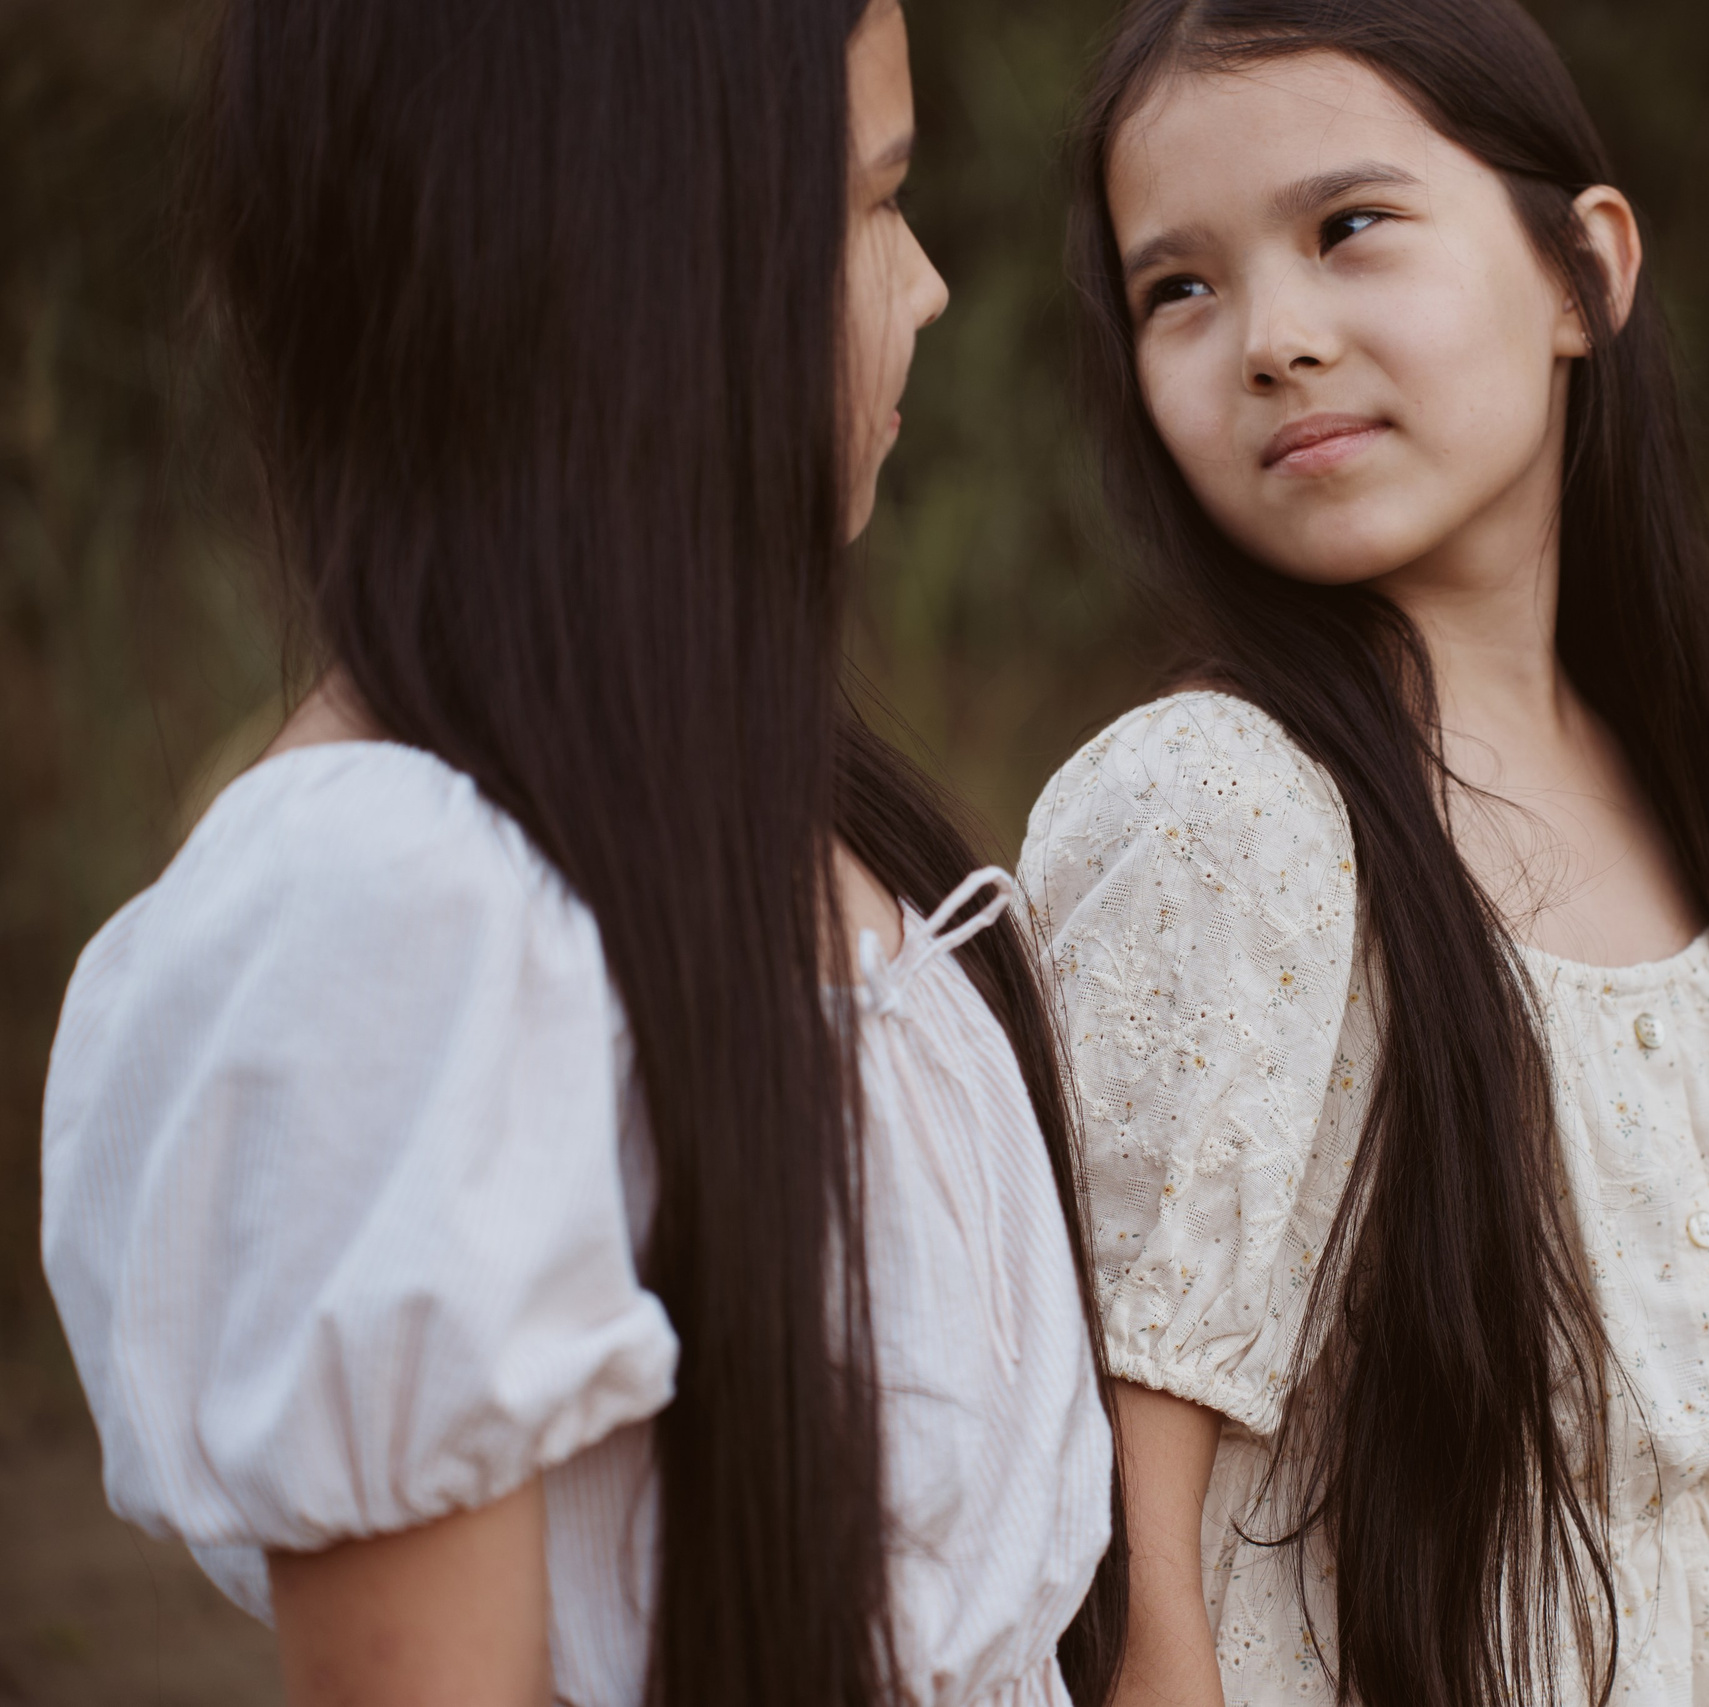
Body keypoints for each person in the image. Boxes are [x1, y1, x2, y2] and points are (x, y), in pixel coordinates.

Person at [40, 1, 1122, 1702]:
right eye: (871, 201)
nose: (926, 285)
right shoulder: (397, 903)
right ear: (639, 255)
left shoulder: (777, 806)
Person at [1018, 1, 1709, 1703]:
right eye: (1176, 287)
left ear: (1584, 274)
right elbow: (1116, 1585)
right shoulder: (1228, 813)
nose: (1271, 338)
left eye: (1348, 229)